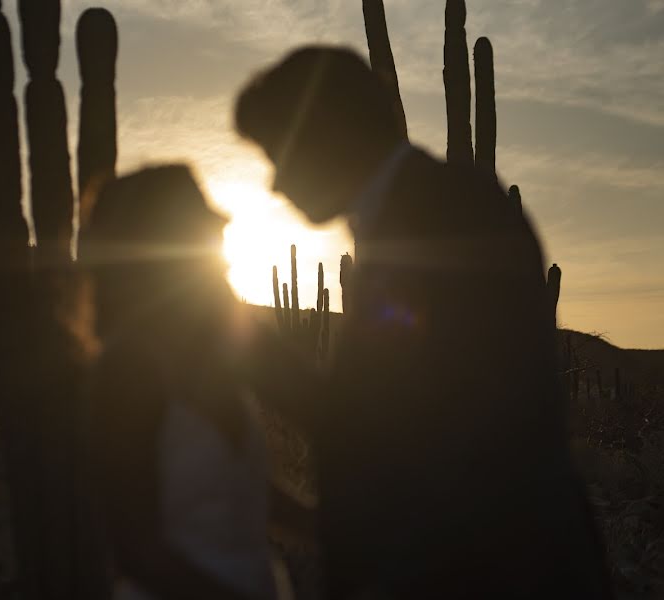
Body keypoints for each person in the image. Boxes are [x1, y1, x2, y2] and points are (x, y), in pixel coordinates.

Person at [235, 46, 613, 598]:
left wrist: (257, 358)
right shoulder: (416, 211)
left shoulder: (444, 214)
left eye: (277, 155)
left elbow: (414, 426)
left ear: (325, 133)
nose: (273, 184)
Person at [82, 165, 290, 600]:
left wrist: (317, 522)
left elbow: (233, 490)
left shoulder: (219, 352)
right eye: (202, 232)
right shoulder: (127, 371)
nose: (219, 244)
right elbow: (136, 547)